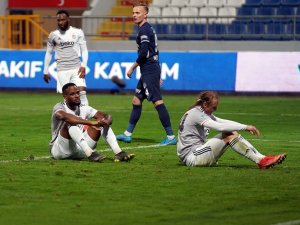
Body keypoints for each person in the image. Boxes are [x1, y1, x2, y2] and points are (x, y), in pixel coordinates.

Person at [116, 3, 177, 145]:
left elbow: (144, 53)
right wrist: (157, 73)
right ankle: (127, 134)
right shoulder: (147, 29)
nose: (134, 15)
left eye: (138, 12)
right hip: (149, 69)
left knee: (157, 101)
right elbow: (154, 51)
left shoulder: (144, 30)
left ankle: (170, 137)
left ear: (145, 14)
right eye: (133, 12)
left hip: (149, 69)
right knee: (136, 100)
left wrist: (132, 67)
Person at [177, 91, 287, 169]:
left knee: (231, 133)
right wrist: (245, 127)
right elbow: (220, 127)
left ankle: (262, 159)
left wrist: (244, 126)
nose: (214, 111)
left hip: (195, 153)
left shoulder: (199, 112)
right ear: (205, 104)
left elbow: (222, 121)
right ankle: (262, 160)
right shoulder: (197, 114)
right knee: (228, 134)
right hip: (191, 157)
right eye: (213, 108)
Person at [50, 82, 134, 162]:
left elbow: (106, 116)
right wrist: (91, 123)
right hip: (60, 150)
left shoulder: (83, 108)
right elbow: (65, 117)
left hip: (79, 150)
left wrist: (106, 121)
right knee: (70, 123)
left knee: (102, 122)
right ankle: (90, 153)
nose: (76, 96)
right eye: (72, 94)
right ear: (65, 96)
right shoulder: (59, 107)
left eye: (77, 93)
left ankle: (118, 152)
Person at [43, 9, 89, 105]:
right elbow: (48, 52)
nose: (60, 22)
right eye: (58, 20)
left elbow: (84, 50)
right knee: (68, 98)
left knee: (81, 93)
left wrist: (84, 65)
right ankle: (70, 119)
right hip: (62, 70)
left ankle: (84, 118)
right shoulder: (53, 35)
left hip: (76, 68)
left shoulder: (78, 32)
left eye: (63, 20)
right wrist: (45, 71)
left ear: (68, 19)